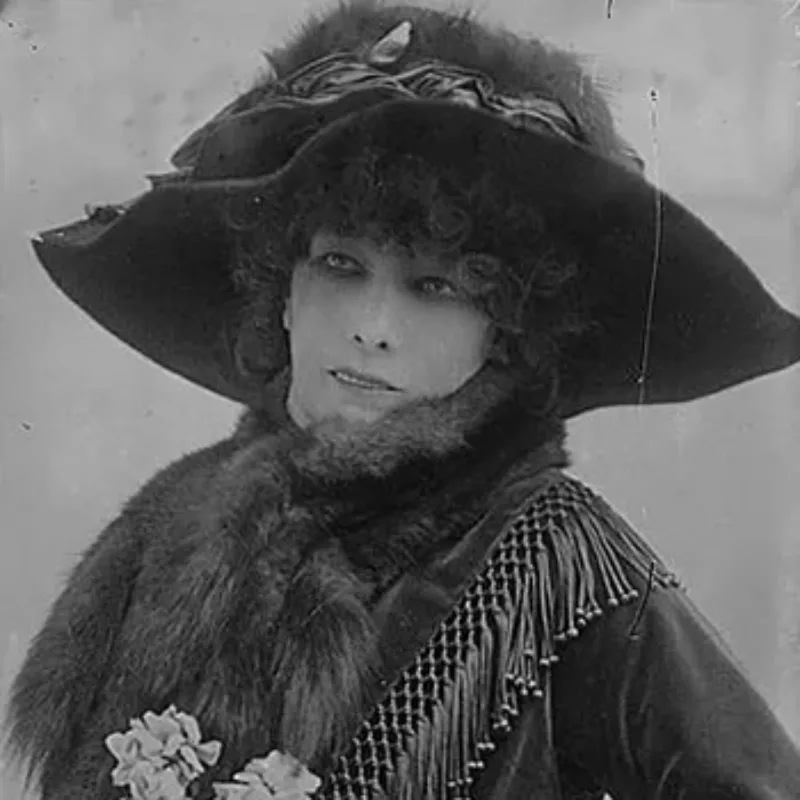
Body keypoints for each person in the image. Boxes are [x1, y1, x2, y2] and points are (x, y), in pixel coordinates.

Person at [4, 1, 800, 798]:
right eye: (341, 267)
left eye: (435, 286)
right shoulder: (171, 527)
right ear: (282, 293)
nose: (374, 328)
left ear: (504, 329)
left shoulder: (562, 562)